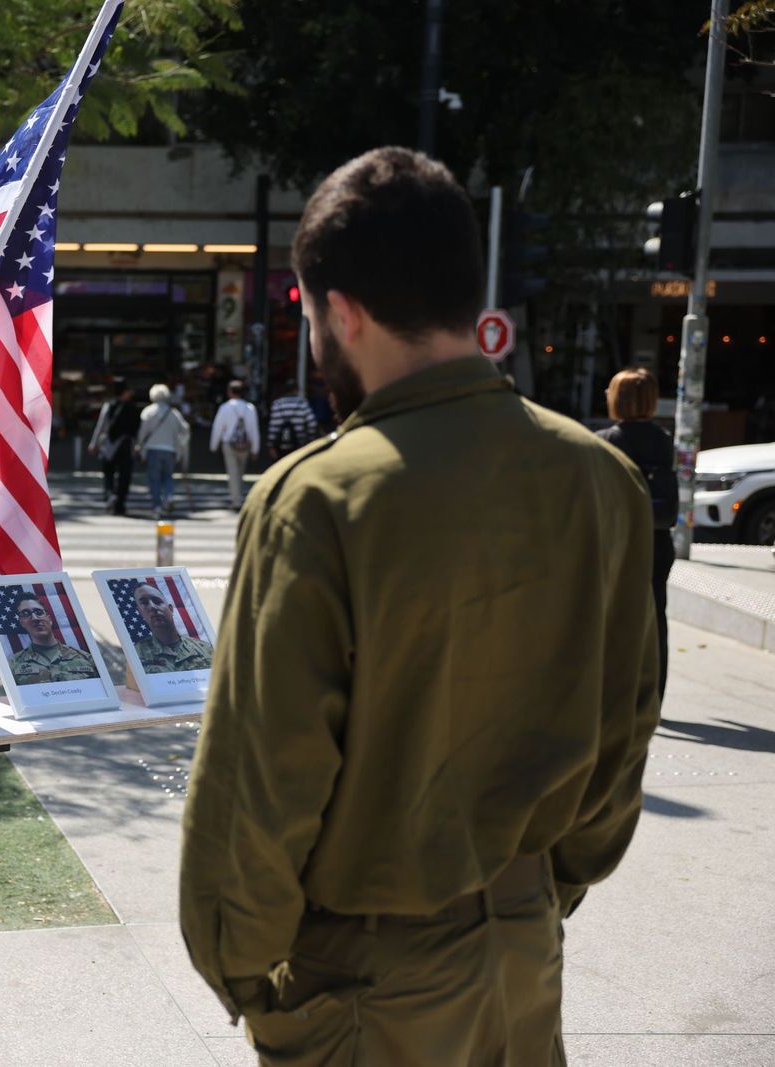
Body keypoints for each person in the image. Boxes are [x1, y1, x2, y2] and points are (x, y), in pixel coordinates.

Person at [180, 147, 659, 1066]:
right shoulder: (601, 479)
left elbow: (260, 784)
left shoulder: (316, 498)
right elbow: (625, 728)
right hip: (523, 952)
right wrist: (537, 890)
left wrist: (250, 980)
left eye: (313, 316)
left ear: (342, 313)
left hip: (363, 979)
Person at [597, 368, 677, 697]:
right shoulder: (664, 441)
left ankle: (617, 688)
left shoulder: (605, 441)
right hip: (657, 541)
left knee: (613, 616)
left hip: (619, 540)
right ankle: (654, 691)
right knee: (655, 614)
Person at [5, 594, 99, 685]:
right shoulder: (13, 665)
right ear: (22, 623)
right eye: (26, 614)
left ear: (49, 620)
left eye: (39, 612)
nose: (35, 618)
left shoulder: (86, 659)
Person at [129, 582, 212, 674]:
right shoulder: (135, 655)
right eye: (144, 603)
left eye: (157, 601)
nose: (152, 606)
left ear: (171, 609)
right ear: (140, 613)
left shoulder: (205, 649)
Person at [135, 383, 190, 519]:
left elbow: (142, 432)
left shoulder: (148, 412)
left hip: (152, 449)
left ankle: (157, 506)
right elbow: (185, 430)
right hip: (170, 450)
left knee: (154, 479)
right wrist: (181, 445)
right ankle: (169, 496)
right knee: (168, 477)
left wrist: (139, 446)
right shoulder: (173, 413)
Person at [87, 379, 140, 515]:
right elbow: (138, 430)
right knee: (124, 476)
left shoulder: (109, 406)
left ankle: (110, 494)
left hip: (110, 445)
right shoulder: (133, 408)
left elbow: (101, 426)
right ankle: (119, 503)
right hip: (127, 446)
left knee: (108, 473)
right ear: (125, 392)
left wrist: (94, 444)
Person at [208, 379, 260, 511]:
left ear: (229, 392)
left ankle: (236, 500)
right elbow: (254, 429)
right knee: (240, 472)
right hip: (245, 444)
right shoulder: (250, 408)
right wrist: (255, 448)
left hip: (229, 443)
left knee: (232, 472)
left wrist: (214, 445)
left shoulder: (225, 408)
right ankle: (238, 497)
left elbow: (218, 428)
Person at [266, 388, 319, 460]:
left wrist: (271, 446)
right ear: (296, 390)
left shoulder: (277, 404)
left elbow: (273, 427)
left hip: (280, 446)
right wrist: (310, 440)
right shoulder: (302, 403)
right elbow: (312, 423)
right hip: (299, 445)